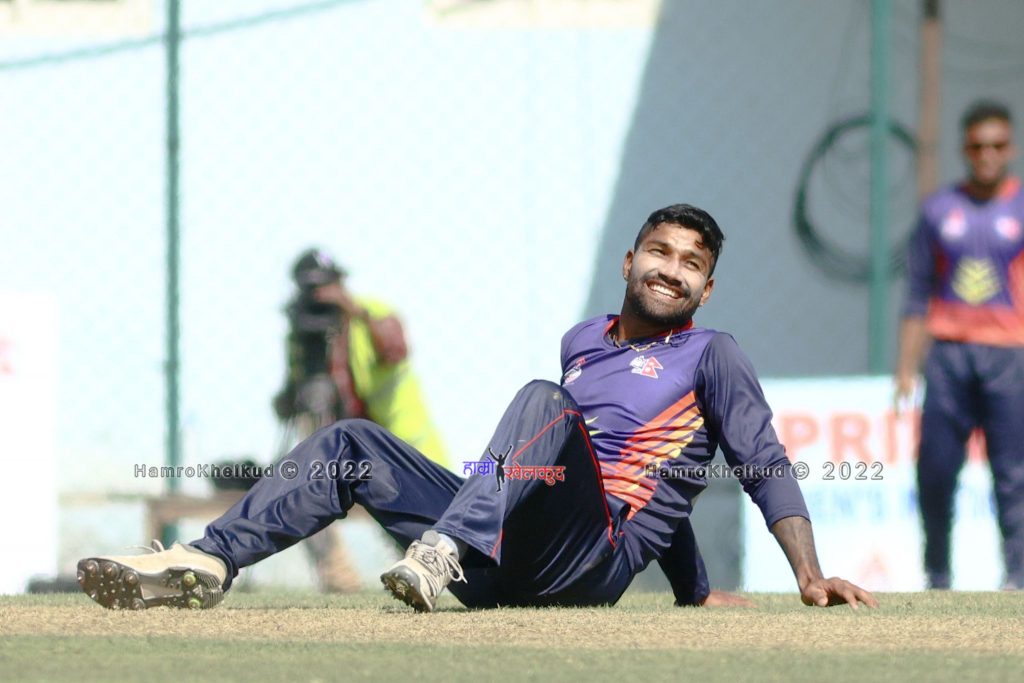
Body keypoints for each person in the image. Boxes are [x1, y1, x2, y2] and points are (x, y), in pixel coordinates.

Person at [77, 204, 877, 612]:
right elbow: (638, 461)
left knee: (542, 402)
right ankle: (209, 561)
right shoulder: (582, 341)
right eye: (661, 252)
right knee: (351, 442)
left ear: (707, 287)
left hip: (587, 563)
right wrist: (693, 589)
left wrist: (806, 575)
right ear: (630, 260)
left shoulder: (712, 353)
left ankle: (441, 551)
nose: (673, 270)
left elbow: (750, 462)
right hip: (502, 558)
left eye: (692, 264)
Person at [895, 100, 1024, 590]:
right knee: (936, 469)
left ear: (1010, 148)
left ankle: (1017, 576)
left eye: (997, 145)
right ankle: (937, 575)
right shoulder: (938, 210)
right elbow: (917, 292)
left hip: (1009, 354)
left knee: (1013, 470)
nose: (987, 154)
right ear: (965, 149)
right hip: (949, 354)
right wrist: (906, 368)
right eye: (977, 146)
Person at [273, 248, 448, 592]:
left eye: (325, 286)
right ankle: (340, 583)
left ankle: (422, 571)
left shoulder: (370, 314)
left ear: (341, 284)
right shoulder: (302, 331)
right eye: (310, 288)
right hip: (346, 443)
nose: (318, 296)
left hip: (397, 439)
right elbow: (290, 397)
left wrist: (353, 311)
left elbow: (395, 350)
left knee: (413, 517)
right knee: (302, 486)